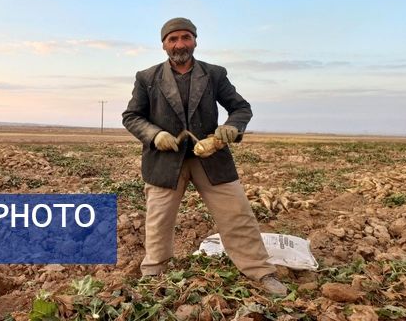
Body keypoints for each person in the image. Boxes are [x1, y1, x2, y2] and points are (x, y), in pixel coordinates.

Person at [122, 17, 287, 296]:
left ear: (195, 41)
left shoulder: (214, 74)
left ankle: (260, 271)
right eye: (173, 39)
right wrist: (154, 134)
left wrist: (231, 128)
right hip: (165, 162)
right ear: (163, 44)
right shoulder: (147, 78)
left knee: (237, 213)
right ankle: (154, 273)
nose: (180, 44)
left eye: (186, 37)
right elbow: (132, 116)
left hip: (210, 157)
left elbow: (240, 108)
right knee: (159, 219)